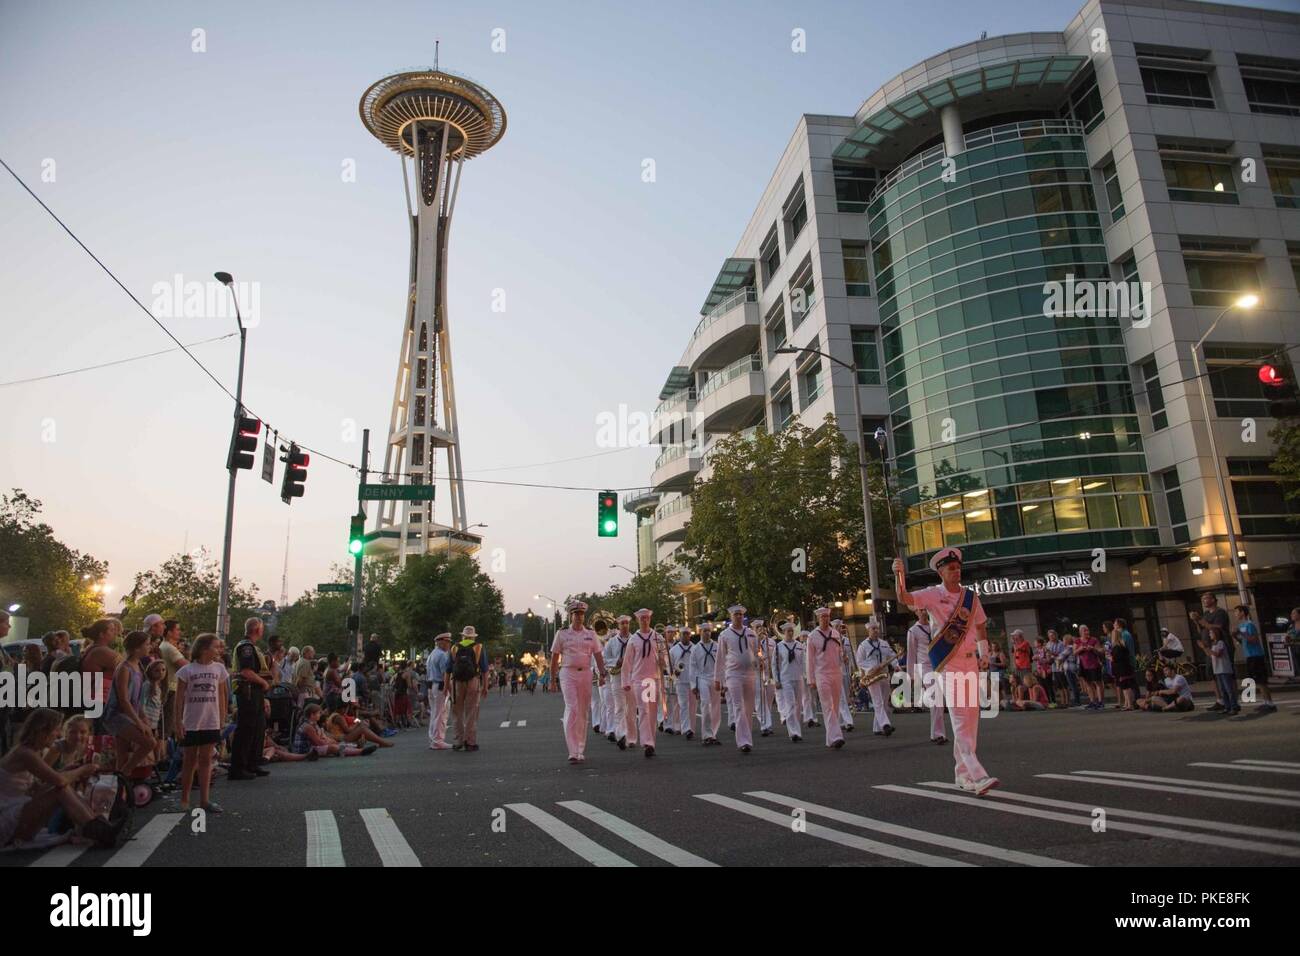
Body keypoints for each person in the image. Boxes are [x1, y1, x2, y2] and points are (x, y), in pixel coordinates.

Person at [894, 548, 998, 796]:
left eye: (958, 567)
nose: (956, 571)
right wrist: (899, 575)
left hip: (971, 661)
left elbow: (981, 627)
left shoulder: (971, 598)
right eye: (950, 568)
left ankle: (962, 775)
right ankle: (977, 773)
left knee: (971, 718)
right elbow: (905, 598)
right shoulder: (932, 595)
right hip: (948, 663)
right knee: (961, 718)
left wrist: (985, 655)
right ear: (941, 571)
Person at [1, 709, 108, 849]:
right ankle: (100, 831)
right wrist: (81, 770)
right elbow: (59, 782)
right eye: (56, 730)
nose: (58, 734)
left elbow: (37, 789)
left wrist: (66, 771)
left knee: (60, 787)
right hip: (7, 821)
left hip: (15, 813)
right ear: (42, 731)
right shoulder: (25, 754)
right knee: (60, 789)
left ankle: (99, 827)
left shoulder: (29, 751)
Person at [174, 633, 229, 814]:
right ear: (204, 649)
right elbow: (179, 699)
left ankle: (205, 800)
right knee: (189, 759)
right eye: (215, 646)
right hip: (191, 720)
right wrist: (177, 721)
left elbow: (221, 694)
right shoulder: (187, 671)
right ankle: (184, 799)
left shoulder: (219, 669)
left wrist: (222, 717)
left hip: (210, 719)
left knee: (206, 759)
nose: (218, 650)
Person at [550, 600, 609, 764]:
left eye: (581, 614)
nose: (579, 616)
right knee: (572, 708)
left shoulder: (590, 634)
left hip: (586, 673)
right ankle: (572, 750)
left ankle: (580, 749)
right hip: (568, 673)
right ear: (571, 615)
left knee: (583, 711)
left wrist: (602, 673)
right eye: (576, 614)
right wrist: (552, 680)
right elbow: (554, 657)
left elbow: (598, 655)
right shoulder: (562, 634)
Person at [102, 630, 154, 775]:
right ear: (137, 648)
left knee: (122, 754)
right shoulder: (125, 668)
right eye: (147, 645)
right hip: (117, 715)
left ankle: (120, 786)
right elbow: (124, 700)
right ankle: (124, 775)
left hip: (131, 713)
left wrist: (143, 718)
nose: (149, 647)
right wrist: (139, 723)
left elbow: (138, 698)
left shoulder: (139, 667)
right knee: (149, 743)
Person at [230, 617, 273, 780]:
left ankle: (252, 763)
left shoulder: (253, 647)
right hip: (248, 691)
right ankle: (238, 768)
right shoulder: (246, 647)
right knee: (246, 730)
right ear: (257, 630)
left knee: (258, 729)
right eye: (261, 629)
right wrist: (263, 682)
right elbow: (246, 671)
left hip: (256, 693)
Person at [715, 605, 759, 753]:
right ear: (731, 617)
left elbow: (756, 652)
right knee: (738, 706)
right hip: (733, 674)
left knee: (748, 708)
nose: (739, 617)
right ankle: (744, 741)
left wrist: (760, 662)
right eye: (736, 615)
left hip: (750, 674)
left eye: (740, 614)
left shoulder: (751, 633)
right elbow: (720, 658)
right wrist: (718, 679)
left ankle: (746, 737)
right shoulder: (725, 635)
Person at [623, 608, 663, 757]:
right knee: (644, 710)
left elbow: (663, 657)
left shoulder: (658, 637)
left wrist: (663, 661)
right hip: (639, 679)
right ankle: (647, 742)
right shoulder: (633, 639)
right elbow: (627, 663)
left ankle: (651, 741)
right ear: (638, 621)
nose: (645, 620)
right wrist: (625, 681)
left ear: (650, 619)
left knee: (652, 712)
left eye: (647, 618)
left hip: (653, 678)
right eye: (642, 618)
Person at [806, 607, 846, 750]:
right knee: (828, 705)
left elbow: (839, 652)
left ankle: (830, 739)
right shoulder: (812, 636)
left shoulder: (835, 633)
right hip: (821, 674)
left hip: (836, 673)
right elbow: (810, 660)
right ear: (818, 619)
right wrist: (811, 680)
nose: (825, 619)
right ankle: (837, 737)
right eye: (822, 617)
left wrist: (843, 658)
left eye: (827, 617)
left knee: (834, 706)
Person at [905, 612, 946, 744]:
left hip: (939, 664)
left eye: (925, 609)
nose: (923, 612)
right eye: (920, 610)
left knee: (940, 700)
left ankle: (936, 733)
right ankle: (938, 733)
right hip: (925, 666)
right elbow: (911, 653)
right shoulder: (913, 631)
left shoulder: (935, 626)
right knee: (936, 698)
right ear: (916, 612)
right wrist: (910, 674)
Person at [447, 625, 488, 751]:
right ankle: (470, 741)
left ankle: (458, 740)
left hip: (457, 682)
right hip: (473, 680)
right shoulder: (478, 647)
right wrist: (485, 686)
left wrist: (446, 687)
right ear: (473, 636)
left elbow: (448, 669)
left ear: (463, 636)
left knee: (457, 711)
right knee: (471, 711)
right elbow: (484, 669)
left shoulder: (454, 648)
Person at [1191, 593, 1231, 711]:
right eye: (1202, 599)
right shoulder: (1206, 614)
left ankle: (1230, 700)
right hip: (1208, 647)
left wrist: (1199, 619)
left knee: (1224, 674)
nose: (1204, 601)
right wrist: (1196, 622)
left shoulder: (1220, 613)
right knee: (1211, 674)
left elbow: (1216, 627)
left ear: (1213, 600)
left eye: (1206, 598)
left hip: (1219, 646)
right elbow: (1201, 629)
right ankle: (1219, 700)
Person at [855, 623, 897, 736]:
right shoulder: (863, 646)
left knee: (883, 702)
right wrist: (871, 667)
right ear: (868, 630)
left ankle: (877, 728)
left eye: (877, 628)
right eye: (873, 629)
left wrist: (895, 665)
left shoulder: (884, 643)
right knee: (878, 702)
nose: (876, 631)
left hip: (884, 674)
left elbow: (891, 655)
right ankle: (885, 725)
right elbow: (859, 661)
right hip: (872, 675)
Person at [1235, 605, 1276, 714]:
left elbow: (1254, 639)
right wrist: (1236, 636)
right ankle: (1265, 701)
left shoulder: (1249, 624)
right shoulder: (1241, 625)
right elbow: (1243, 641)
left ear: (1243, 613)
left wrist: (1242, 633)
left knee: (1262, 680)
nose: (1236, 614)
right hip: (1249, 655)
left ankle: (1270, 703)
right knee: (1257, 680)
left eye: (1237, 612)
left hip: (1256, 655)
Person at [771, 623, 805, 742]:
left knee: (798, 706)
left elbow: (804, 663)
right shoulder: (779, 646)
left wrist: (806, 676)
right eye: (788, 631)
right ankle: (794, 732)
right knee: (790, 705)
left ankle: (797, 729)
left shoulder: (799, 646)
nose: (790, 633)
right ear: (783, 633)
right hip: (786, 679)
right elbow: (775, 665)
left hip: (798, 678)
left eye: (792, 631)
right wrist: (776, 679)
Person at [603, 615, 632, 748]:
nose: (625, 626)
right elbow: (605, 659)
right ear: (618, 626)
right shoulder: (611, 642)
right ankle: (621, 735)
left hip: (632, 676)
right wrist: (616, 661)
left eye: (626, 623)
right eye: (622, 624)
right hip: (617, 676)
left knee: (631, 707)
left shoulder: (634, 640)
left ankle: (631, 736)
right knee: (619, 706)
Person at [690, 622, 722, 745]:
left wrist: (721, 681)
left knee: (716, 707)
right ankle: (706, 734)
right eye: (704, 631)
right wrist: (694, 685)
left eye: (709, 631)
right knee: (705, 704)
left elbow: (721, 664)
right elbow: (693, 668)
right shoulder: (696, 648)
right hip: (702, 678)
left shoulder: (717, 646)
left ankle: (713, 733)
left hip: (714, 678)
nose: (707, 633)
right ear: (700, 632)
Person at [1201, 625, 1239, 715]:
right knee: (1223, 690)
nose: (1210, 635)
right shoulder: (1214, 644)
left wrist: (1205, 648)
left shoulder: (1220, 643)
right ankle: (1227, 707)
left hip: (1224, 669)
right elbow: (1211, 655)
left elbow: (1218, 654)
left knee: (1228, 689)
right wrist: (1204, 648)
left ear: (1216, 634)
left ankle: (1234, 706)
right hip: (1217, 670)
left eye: (1211, 633)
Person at [425, 633, 453, 750]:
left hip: (432, 686)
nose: (449, 644)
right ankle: (438, 740)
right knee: (441, 714)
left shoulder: (432, 654)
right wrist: (450, 689)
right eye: (447, 642)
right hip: (440, 686)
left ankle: (434, 739)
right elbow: (445, 674)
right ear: (441, 642)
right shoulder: (442, 655)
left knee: (435, 713)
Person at [669, 625, 695, 740]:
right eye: (683, 634)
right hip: (680, 681)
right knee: (683, 705)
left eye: (687, 634)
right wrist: (675, 674)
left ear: (690, 636)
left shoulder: (695, 648)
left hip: (693, 681)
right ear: (680, 635)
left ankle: (691, 727)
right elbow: (669, 669)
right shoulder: (673, 650)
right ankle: (686, 729)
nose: (685, 636)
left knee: (693, 706)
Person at [1075, 625, 1104, 710]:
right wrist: (1080, 649)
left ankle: (1100, 701)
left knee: (1097, 683)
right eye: (1084, 631)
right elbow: (1074, 652)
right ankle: (1092, 701)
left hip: (1094, 664)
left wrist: (1092, 648)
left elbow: (1099, 651)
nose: (1087, 632)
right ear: (1080, 632)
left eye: (1087, 630)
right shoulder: (1077, 641)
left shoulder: (1093, 640)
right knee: (1088, 683)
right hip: (1083, 665)